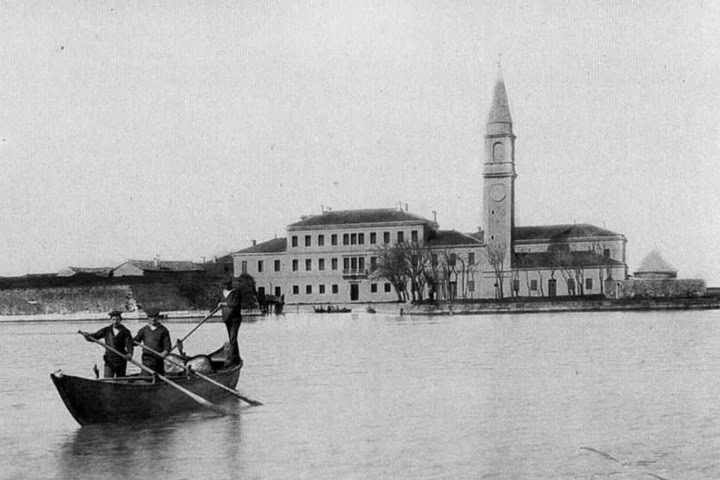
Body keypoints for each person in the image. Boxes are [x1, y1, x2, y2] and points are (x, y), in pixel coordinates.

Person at [81, 310, 133, 378]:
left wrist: (130, 353)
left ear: (120, 320)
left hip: (121, 359)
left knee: (121, 380)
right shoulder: (106, 330)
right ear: (111, 320)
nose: (115, 321)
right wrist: (88, 336)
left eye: (117, 319)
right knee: (108, 378)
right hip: (109, 360)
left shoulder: (126, 331)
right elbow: (96, 336)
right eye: (113, 319)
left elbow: (129, 344)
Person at [133, 308, 172, 375]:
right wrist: (129, 340)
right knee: (146, 377)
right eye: (151, 317)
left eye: (155, 317)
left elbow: (167, 346)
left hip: (158, 358)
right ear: (148, 318)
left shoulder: (163, 330)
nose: (153, 319)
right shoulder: (144, 330)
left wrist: (164, 354)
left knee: (158, 378)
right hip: (147, 358)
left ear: (157, 317)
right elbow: (136, 341)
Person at [214, 278, 242, 367]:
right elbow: (218, 304)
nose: (227, 286)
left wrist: (225, 304)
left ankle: (230, 359)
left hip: (235, 319)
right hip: (226, 319)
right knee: (232, 338)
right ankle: (236, 356)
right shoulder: (222, 293)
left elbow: (236, 304)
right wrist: (211, 312)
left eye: (228, 284)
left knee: (233, 338)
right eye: (225, 284)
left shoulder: (236, 292)